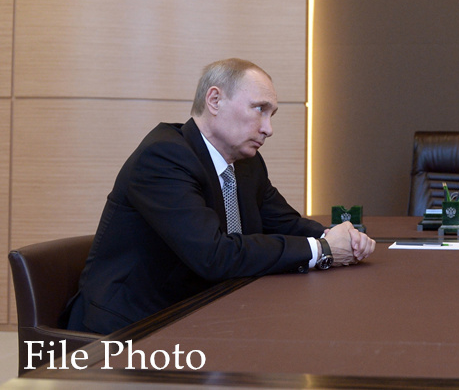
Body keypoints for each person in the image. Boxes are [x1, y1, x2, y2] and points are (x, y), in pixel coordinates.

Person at [66, 58, 376, 334]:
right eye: (260, 109)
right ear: (215, 100)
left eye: (272, 115)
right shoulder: (163, 157)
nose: (268, 128)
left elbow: (284, 223)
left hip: (203, 311)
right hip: (130, 328)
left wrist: (337, 236)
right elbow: (213, 256)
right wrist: (322, 250)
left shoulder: (247, 163)